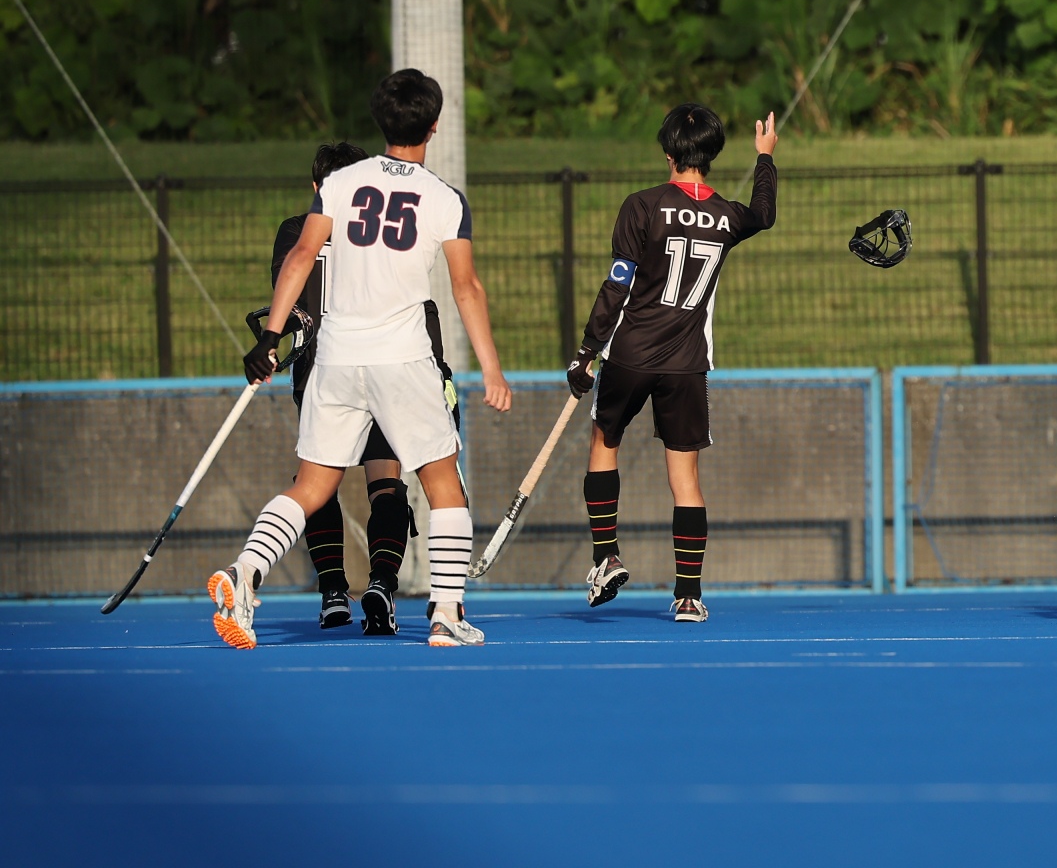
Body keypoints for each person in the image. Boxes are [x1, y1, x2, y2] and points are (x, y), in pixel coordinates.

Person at [212, 70, 512, 649]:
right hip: (403, 359)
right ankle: (445, 614)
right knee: (444, 486)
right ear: (434, 126)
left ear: (379, 120)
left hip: (336, 358)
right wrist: (491, 368)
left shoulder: (341, 182)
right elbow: (466, 287)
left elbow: (302, 255)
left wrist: (269, 337)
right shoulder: (445, 198)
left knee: (310, 487)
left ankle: (245, 571)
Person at [569, 104, 779, 623]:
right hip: (687, 363)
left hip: (631, 355)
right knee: (685, 476)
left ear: (668, 152)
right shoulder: (728, 215)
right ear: (711, 154)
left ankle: (606, 556)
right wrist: (765, 158)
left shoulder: (642, 205)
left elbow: (618, 284)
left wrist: (587, 351)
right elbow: (764, 213)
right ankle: (688, 595)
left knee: (604, 441)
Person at [271, 138, 429, 634]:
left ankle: (333, 592)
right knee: (386, 482)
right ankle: (381, 584)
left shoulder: (296, 231)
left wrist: (271, 338)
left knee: (316, 485)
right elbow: (419, 304)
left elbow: (290, 297)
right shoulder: (385, 233)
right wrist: (438, 368)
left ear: (316, 186)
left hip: (322, 374)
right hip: (384, 367)